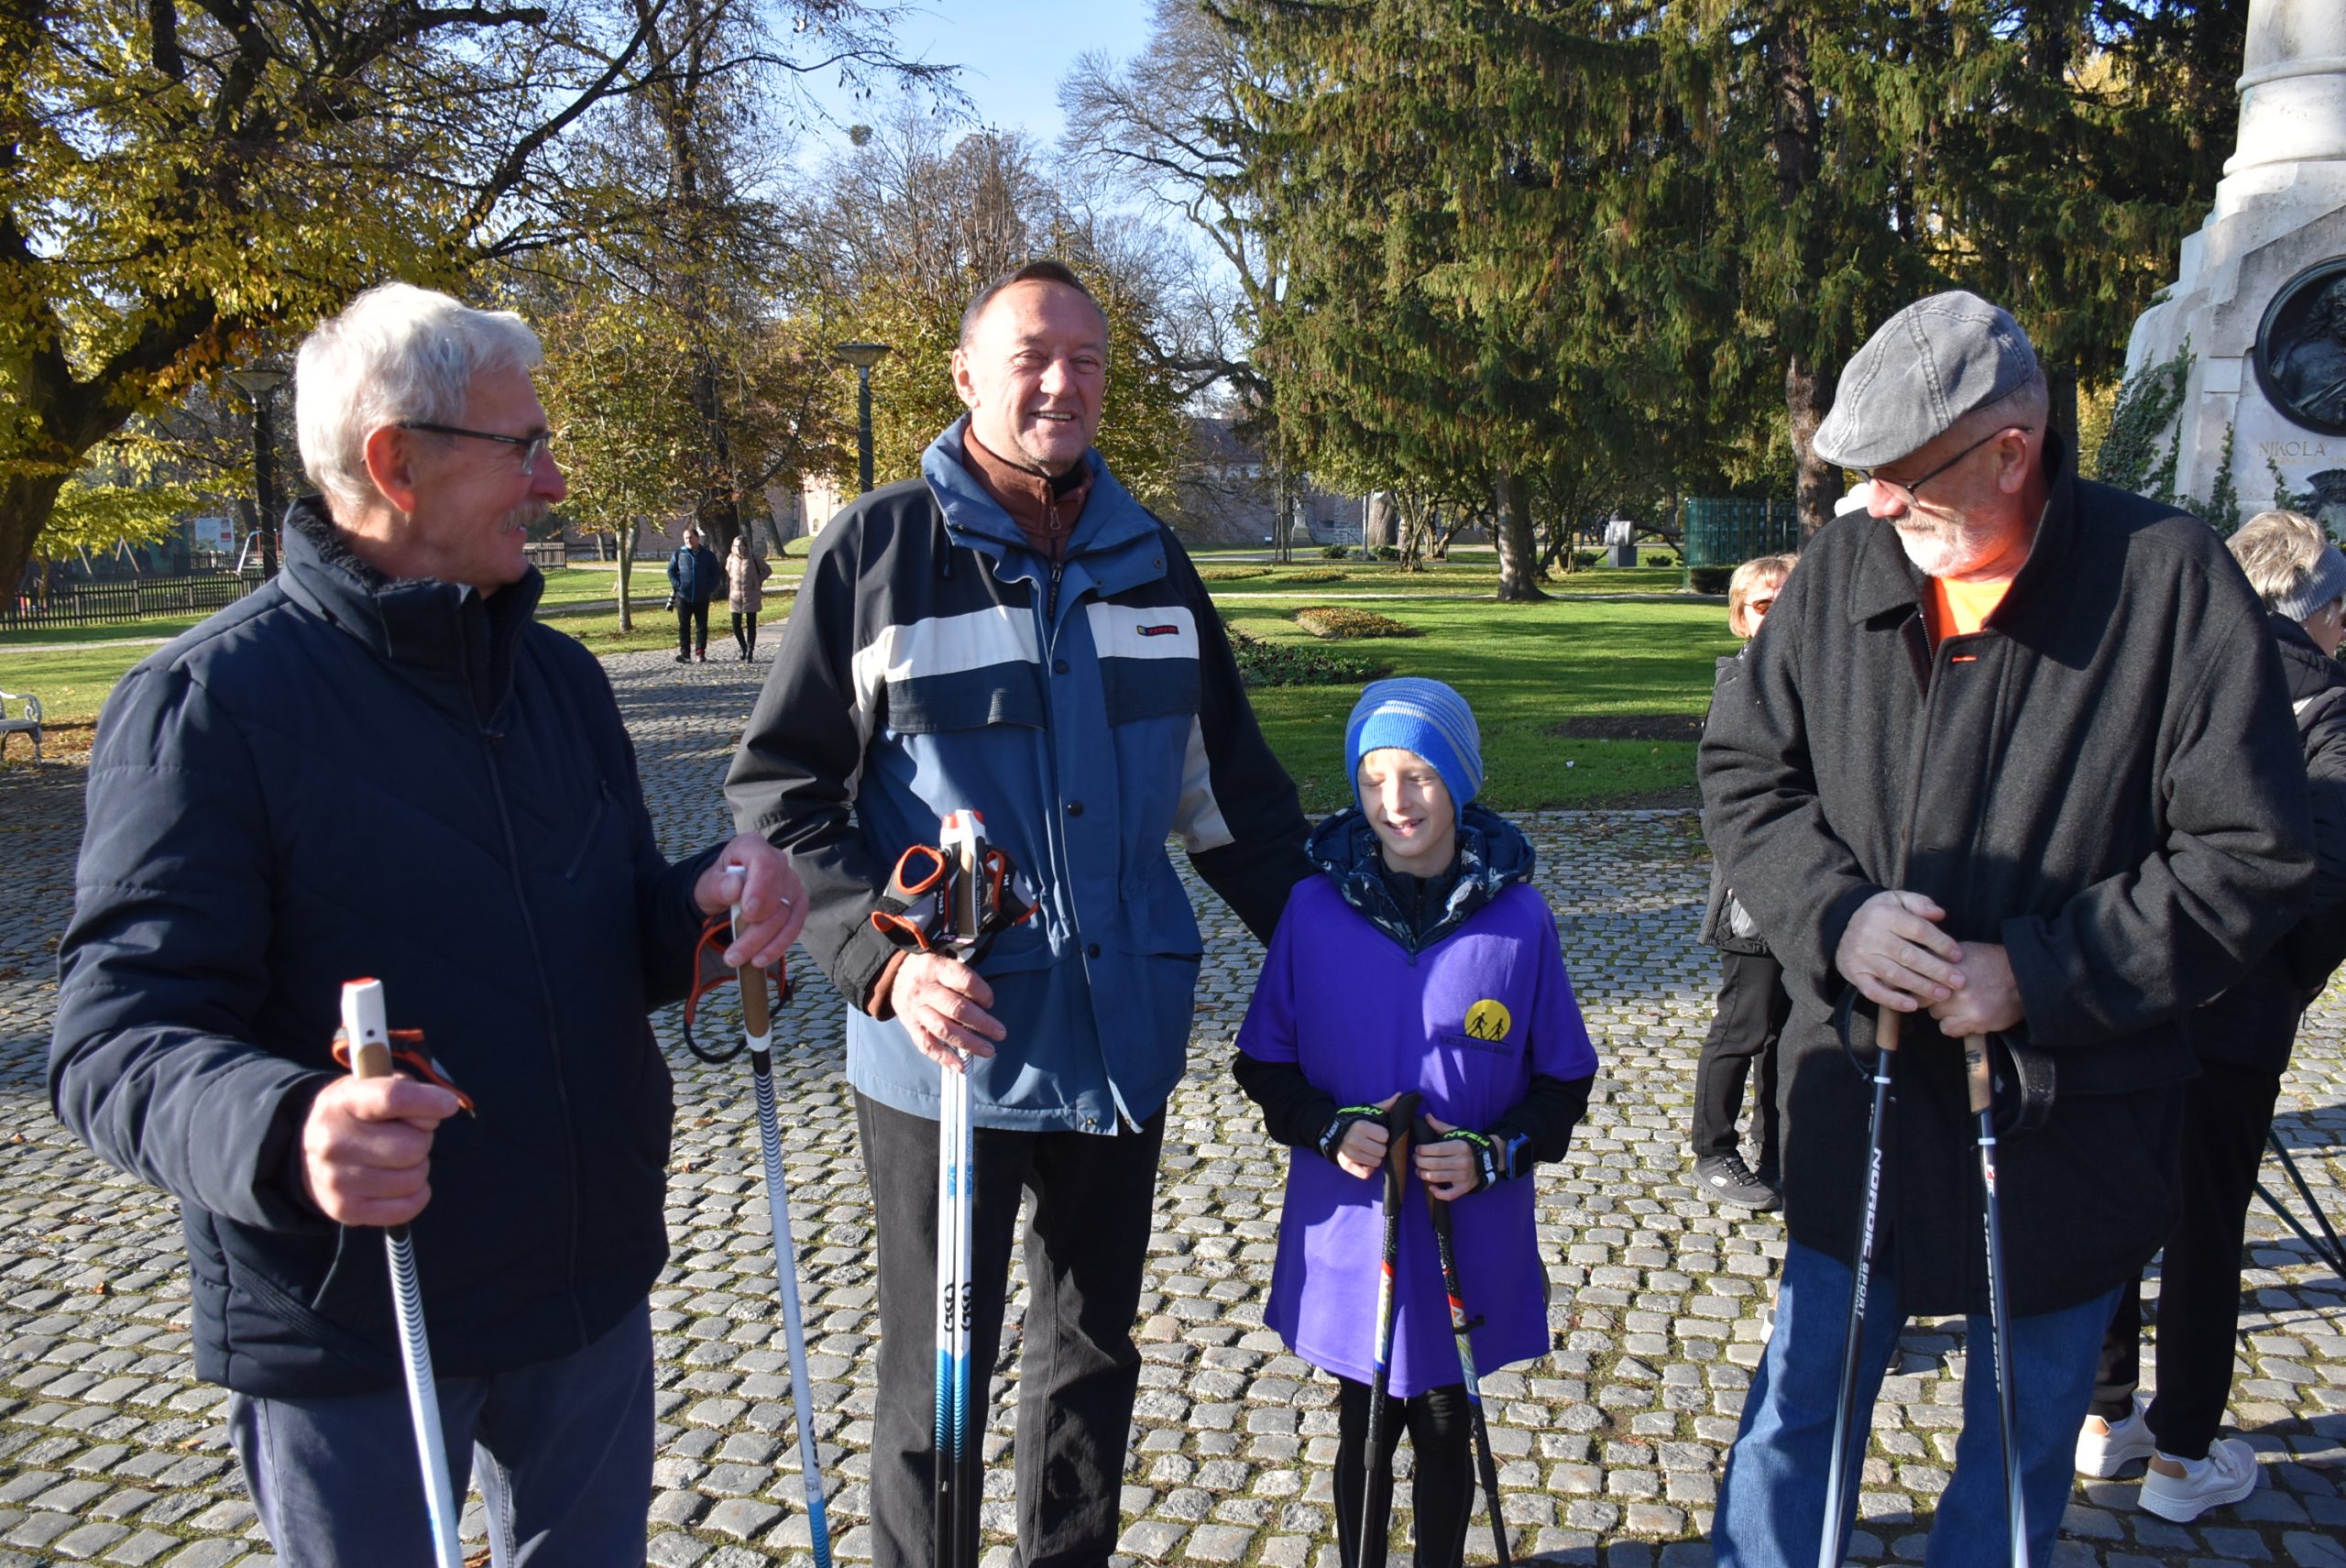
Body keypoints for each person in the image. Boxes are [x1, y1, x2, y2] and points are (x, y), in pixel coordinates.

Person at [47, 282, 805, 1568]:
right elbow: (114, 1039)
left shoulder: (558, 678)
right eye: (525, 447)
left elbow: (606, 927)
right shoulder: (206, 705)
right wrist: (290, 1129)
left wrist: (707, 903)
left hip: (581, 1289)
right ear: (396, 463)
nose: (556, 481)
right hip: (355, 1316)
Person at [1698, 290, 2312, 1568]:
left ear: (2013, 450)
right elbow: (1747, 769)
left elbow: (2252, 856)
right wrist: (1835, 915)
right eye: (1858, 476)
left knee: (2022, 1442)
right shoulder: (1851, 570)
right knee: (1796, 1413)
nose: (1872, 506)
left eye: (1900, 477)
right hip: (1855, 1097)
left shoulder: (2169, 581)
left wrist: (2035, 970)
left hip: (2060, 1114)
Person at [725, 258, 1312, 1568]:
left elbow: (1234, 807)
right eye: (1034, 353)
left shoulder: (1150, 562)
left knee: (1094, 1357)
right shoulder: (877, 553)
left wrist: (1360, 951)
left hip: (1121, 1035)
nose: (1063, 381)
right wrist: (881, 962)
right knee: (940, 1377)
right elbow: (779, 794)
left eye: (1089, 359)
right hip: (950, 1045)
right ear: (967, 375)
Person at [1232, 678, 1598, 1568]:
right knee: (1362, 1421)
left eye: (1420, 776)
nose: (1396, 803)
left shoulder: (1518, 919)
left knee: (1444, 1419)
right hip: (1355, 1231)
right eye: (1373, 779)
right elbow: (1262, 1061)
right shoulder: (1314, 910)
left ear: (1459, 779)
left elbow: (1563, 1079)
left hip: (1464, 1227)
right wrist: (1325, 1126)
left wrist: (1491, 1152)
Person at [2076, 509, 2346, 1520]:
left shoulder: (2163, 668)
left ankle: (2104, 1416)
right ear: (2310, 605)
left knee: (2123, 1200)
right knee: (2200, 1226)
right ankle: (2181, 1453)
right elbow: (2325, 879)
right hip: (2225, 1002)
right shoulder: (2323, 705)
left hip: (2132, 981)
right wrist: (2283, 978)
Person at [1692, 554, 1800, 1210]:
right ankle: (1715, 1147)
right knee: (1745, 1023)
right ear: (1741, 617)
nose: (1777, 612)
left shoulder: (1822, 678)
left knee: (1791, 1031)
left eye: (1787, 599)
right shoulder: (1740, 685)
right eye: (1763, 603)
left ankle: (1781, 1152)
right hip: (1753, 899)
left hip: (1810, 895)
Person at [667, 523, 721, 663]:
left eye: (690, 538)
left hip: (702, 597)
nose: (688, 541)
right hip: (683, 596)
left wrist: (709, 588)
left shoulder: (708, 555)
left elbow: (716, 574)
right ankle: (685, 653)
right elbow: (671, 571)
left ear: (697, 538)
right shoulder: (679, 554)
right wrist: (677, 585)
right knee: (684, 626)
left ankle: (700, 652)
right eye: (686, 538)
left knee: (701, 626)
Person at [727, 530, 775, 662]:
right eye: (736, 546)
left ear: (746, 546)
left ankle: (750, 650)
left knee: (751, 625)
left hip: (751, 595)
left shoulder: (753, 558)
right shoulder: (730, 559)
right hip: (736, 597)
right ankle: (743, 647)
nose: (739, 548)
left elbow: (767, 570)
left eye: (741, 545)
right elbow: (728, 573)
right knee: (736, 626)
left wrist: (757, 581)